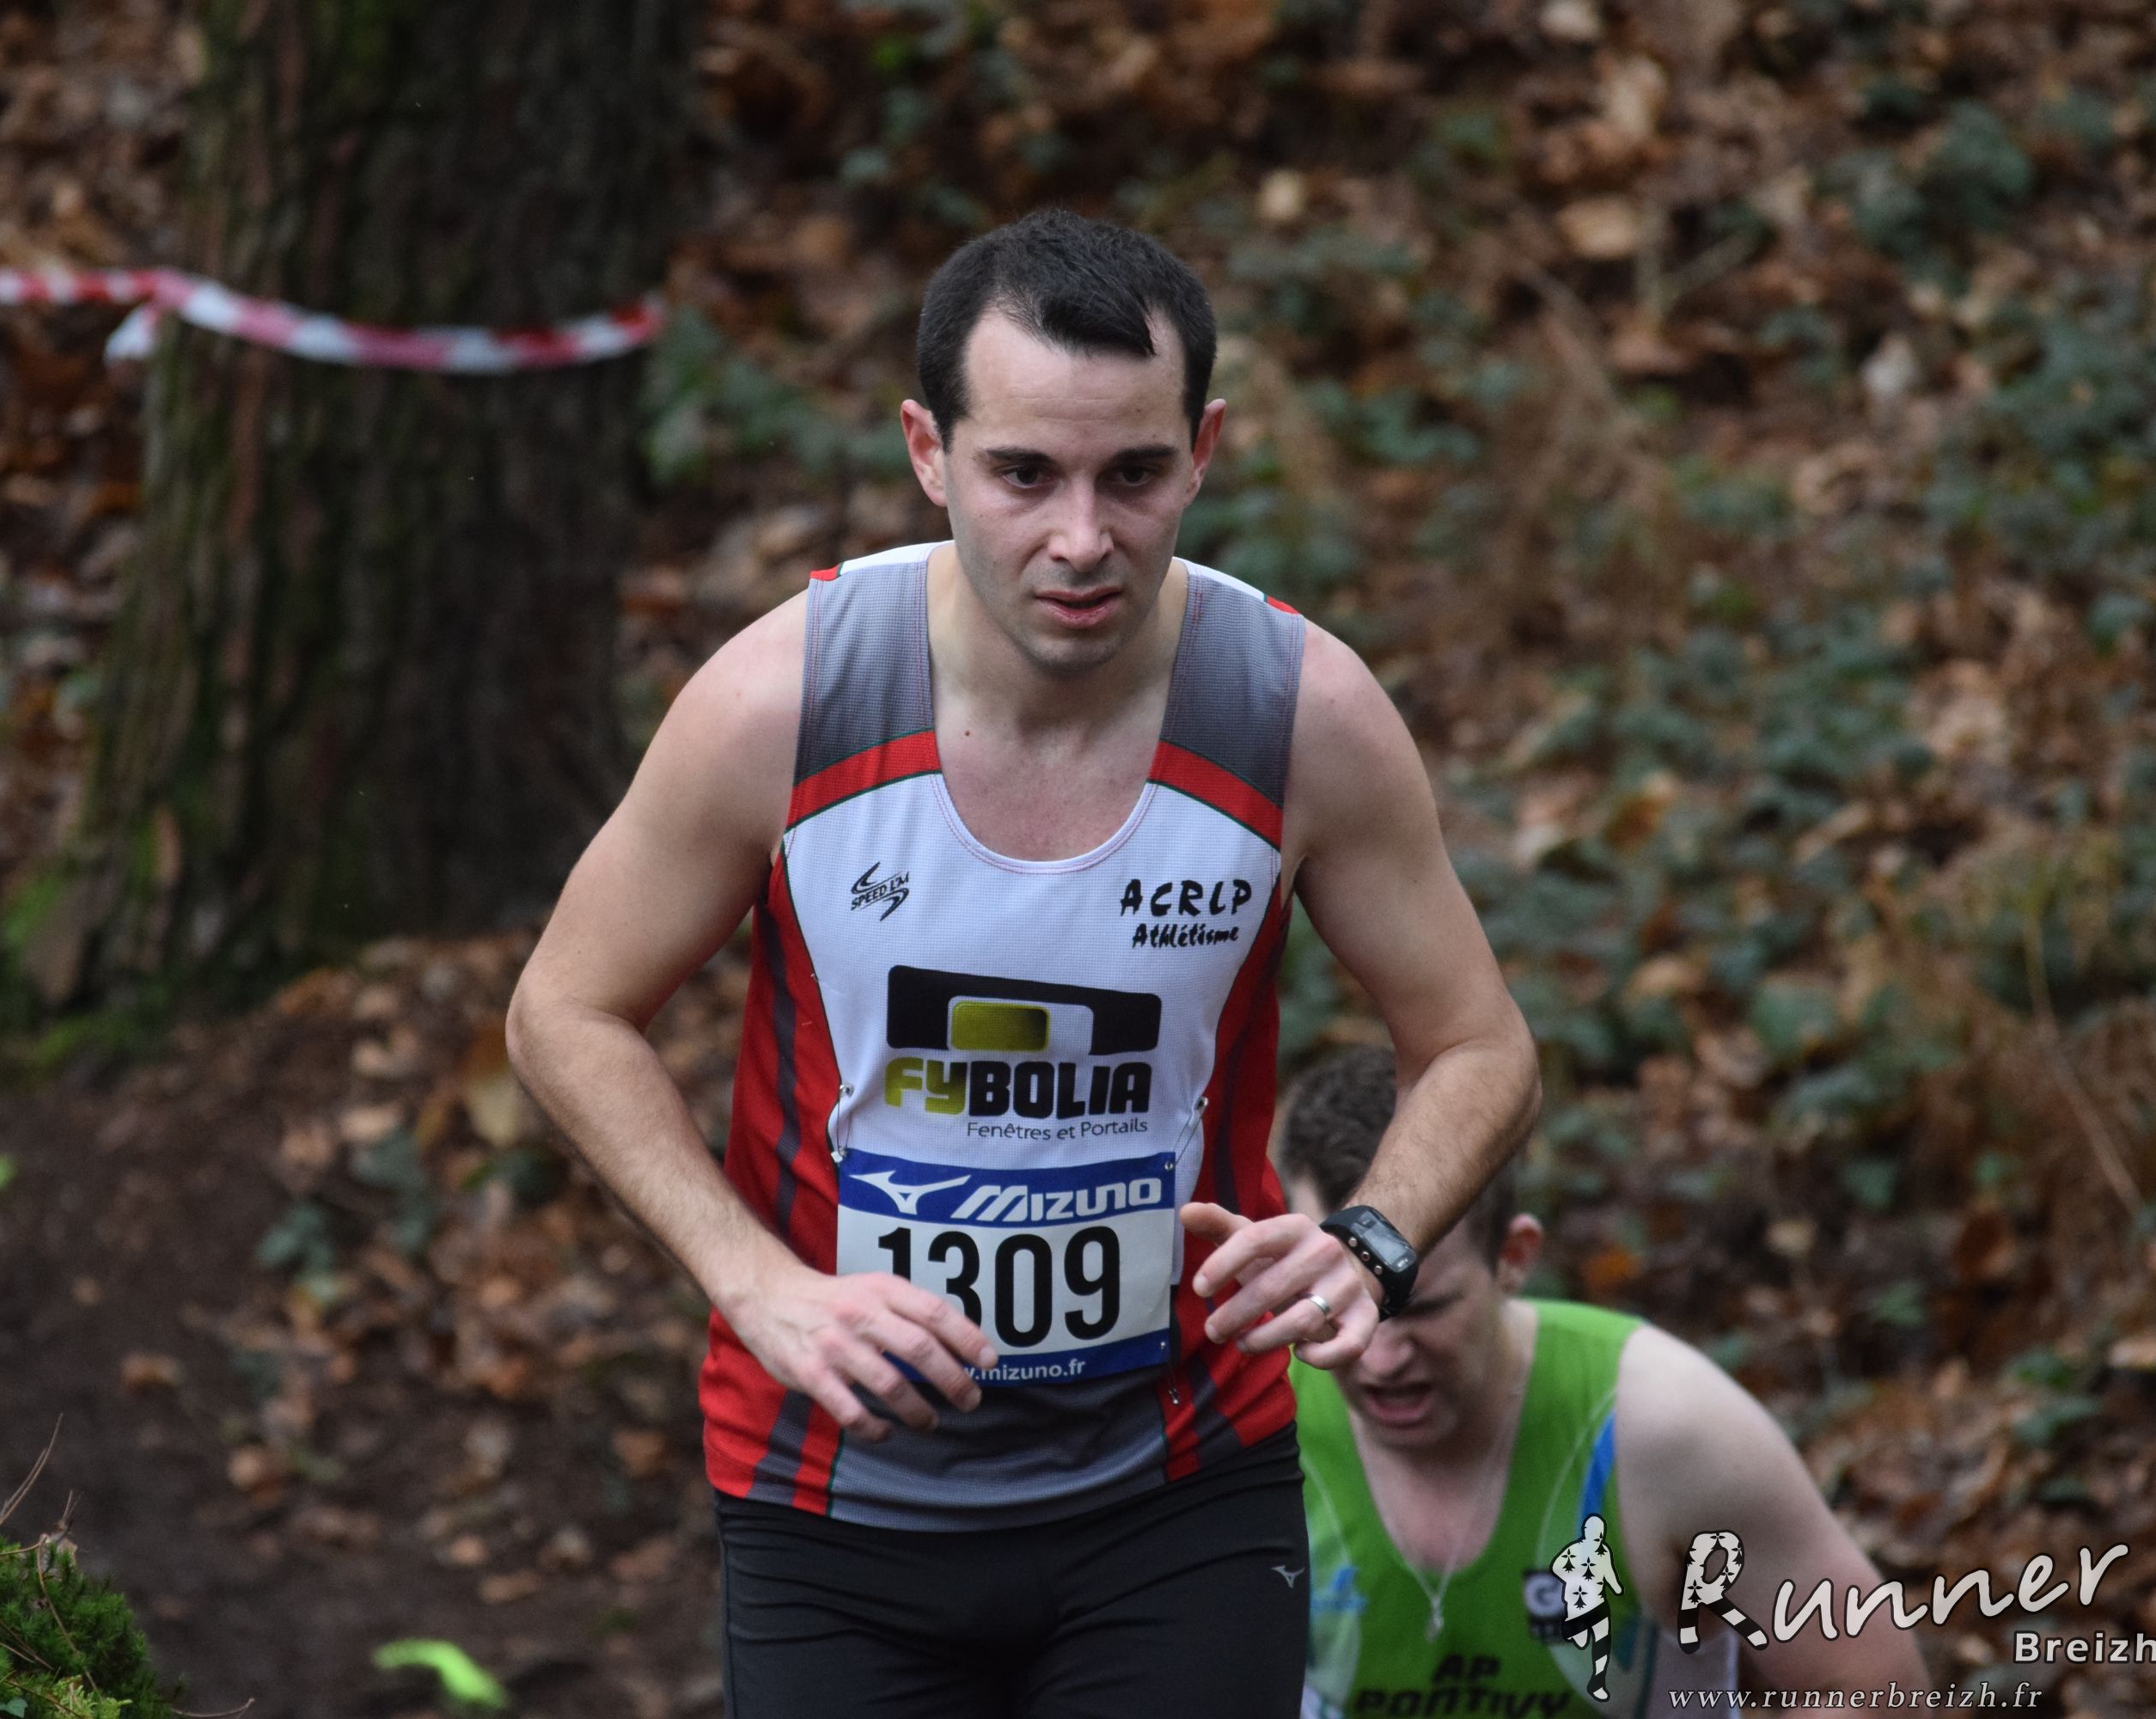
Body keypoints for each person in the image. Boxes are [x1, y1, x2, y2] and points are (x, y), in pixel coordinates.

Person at [505, 209, 1540, 1716]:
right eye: (1024, 475)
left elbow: (1480, 1045)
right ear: (929, 453)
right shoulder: (786, 701)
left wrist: (1371, 1241)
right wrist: (757, 1284)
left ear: (1204, 453)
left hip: (1178, 1484)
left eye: (1134, 475)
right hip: (834, 1488)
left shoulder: (1296, 715)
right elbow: (565, 1008)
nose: (1081, 539)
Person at [1264, 1045, 1931, 1716]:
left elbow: (1877, 1689)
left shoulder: (1664, 1426)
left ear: (1513, 1258)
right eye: (1334, 1306)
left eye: (1424, 1309)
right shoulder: (1258, 1421)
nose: (1379, 1358)